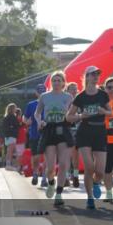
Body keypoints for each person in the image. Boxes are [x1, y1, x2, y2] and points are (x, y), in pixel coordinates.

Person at [67, 66, 112, 209]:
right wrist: (81, 116)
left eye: (97, 74)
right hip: (85, 131)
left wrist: (102, 111)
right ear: (86, 77)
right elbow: (68, 117)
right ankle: (90, 197)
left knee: (100, 171)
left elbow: (110, 113)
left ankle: (97, 182)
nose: (95, 76)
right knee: (89, 167)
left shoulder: (103, 94)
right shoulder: (81, 97)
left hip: (99, 131)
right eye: (92, 74)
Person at [36, 72, 74, 206]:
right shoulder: (44, 97)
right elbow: (37, 113)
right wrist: (39, 121)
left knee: (63, 164)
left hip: (63, 130)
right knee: (51, 167)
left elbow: (73, 112)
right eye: (54, 80)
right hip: (49, 130)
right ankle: (51, 183)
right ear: (51, 83)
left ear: (64, 83)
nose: (57, 83)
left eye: (59, 80)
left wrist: (74, 117)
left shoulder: (68, 97)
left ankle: (59, 193)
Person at [23, 87, 43, 185]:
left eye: (44, 91)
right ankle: (35, 173)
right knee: (36, 157)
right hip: (34, 133)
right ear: (36, 93)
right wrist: (27, 121)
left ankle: (44, 177)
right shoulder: (31, 105)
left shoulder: (49, 103)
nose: (42, 93)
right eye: (40, 92)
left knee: (48, 155)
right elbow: (25, 117)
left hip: (48, 133)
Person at [2, 104, 20, 171]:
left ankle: (13, 165)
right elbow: (15, 126)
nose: (16, 109)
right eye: (15, 108)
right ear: (12, 109)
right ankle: (8, 165)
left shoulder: (7, 117)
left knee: (13, 151)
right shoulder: (11, 117)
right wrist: (13, 129)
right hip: (11, 136)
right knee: (10, 150)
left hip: (9, 136)